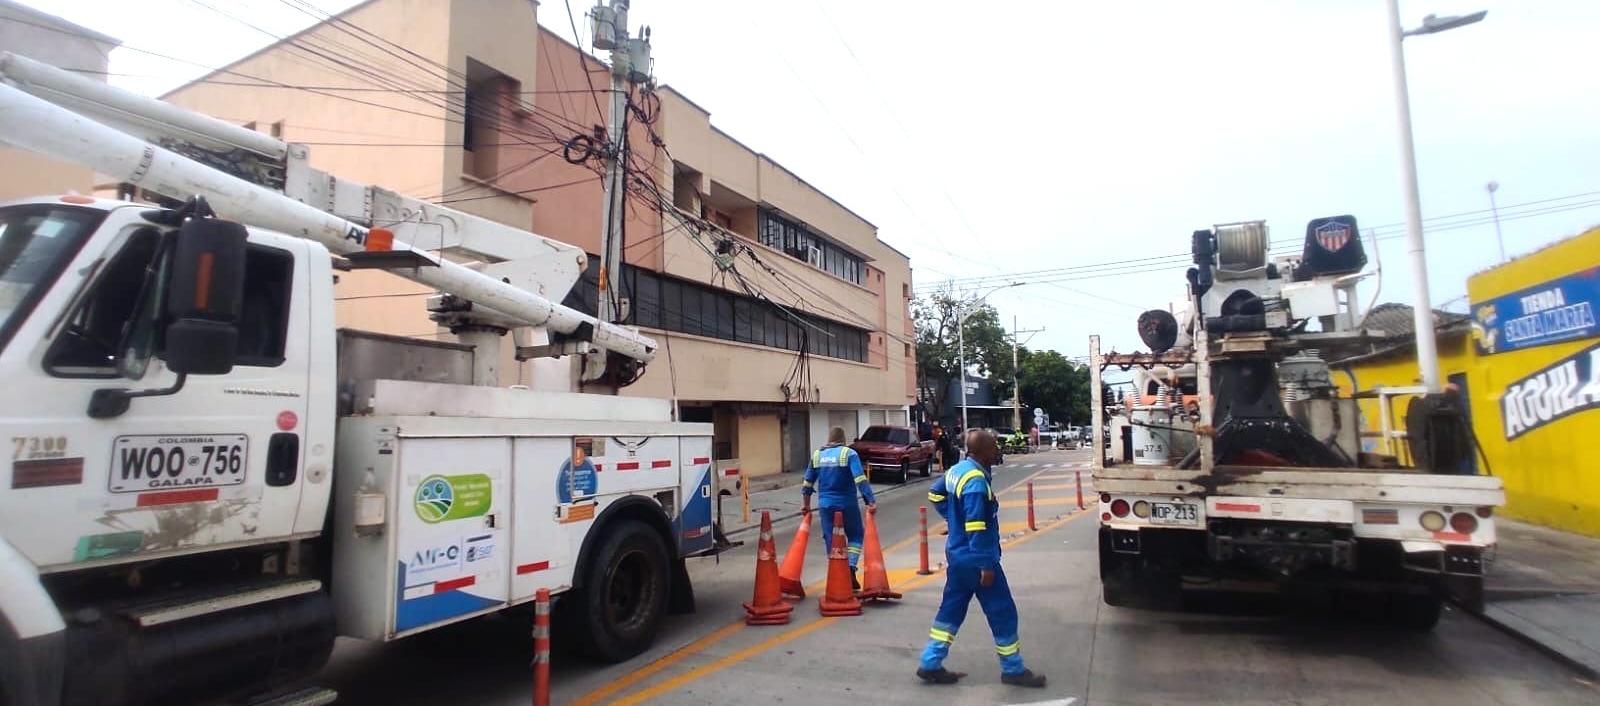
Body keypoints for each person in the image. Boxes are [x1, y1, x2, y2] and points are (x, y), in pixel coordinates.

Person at [917, 430, 1045, 688]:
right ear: (983, 451)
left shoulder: (958, 470)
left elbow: (935, 493)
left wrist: (953, 520)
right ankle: (1013, 669)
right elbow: (976, 526)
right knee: (1003, 612)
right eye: (994, 447)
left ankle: (930, 662)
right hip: (977, 559)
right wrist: (985, 565)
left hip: (957, 557)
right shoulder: (975, 480)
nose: (997, 451)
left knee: (951, 611)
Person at [801, 427, 877, 589]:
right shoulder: (849, 454)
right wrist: (870, 500)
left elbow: (807, 482)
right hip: (846, 503)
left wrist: (806, 505)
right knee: (856, 535)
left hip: (825, 505)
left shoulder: (817, 455)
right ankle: (850, 567)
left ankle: (837, 572)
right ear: (843, 440)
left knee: (831, 538)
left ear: (829, 439)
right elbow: (860, 479)